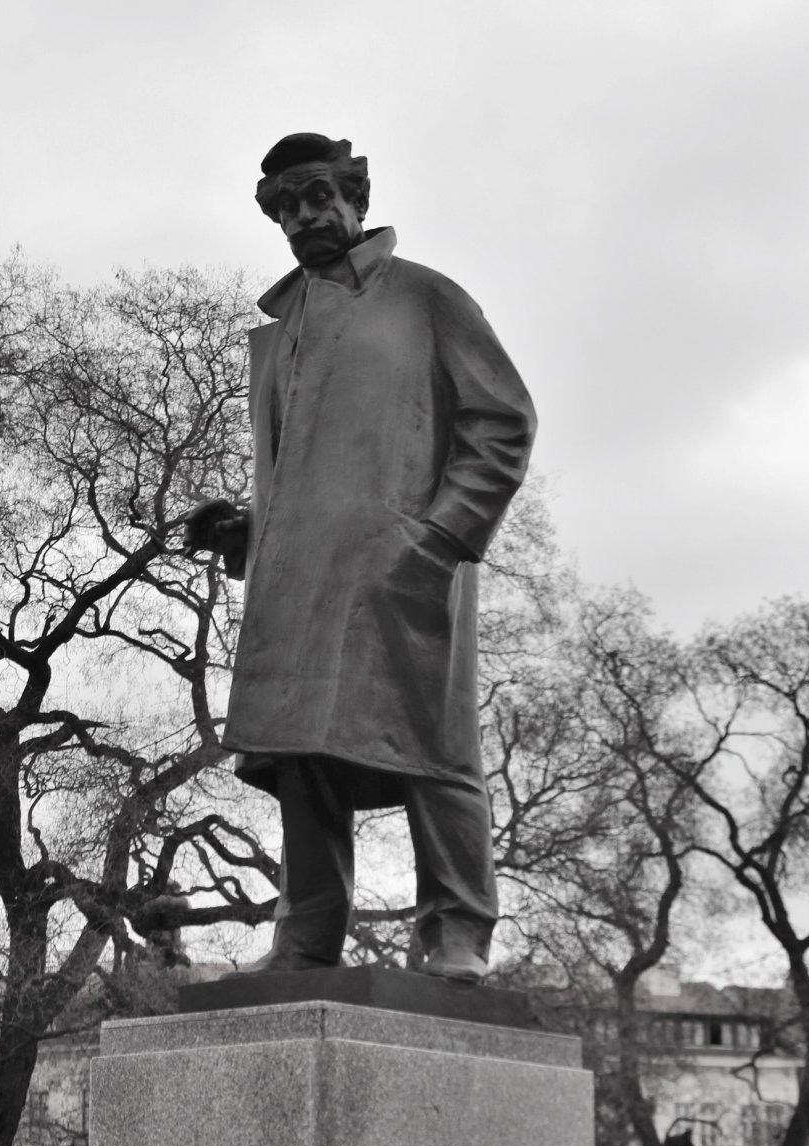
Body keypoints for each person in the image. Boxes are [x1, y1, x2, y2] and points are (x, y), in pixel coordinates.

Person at [184, 133, 536, 981]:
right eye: (286, 207)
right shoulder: (278, 329)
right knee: (301, 756)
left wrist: (440, 537)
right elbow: (302, 464)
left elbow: (501, 421)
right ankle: (305, 938)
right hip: (294, 576)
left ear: (354, 199)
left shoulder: (426, 298)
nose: (304, 217)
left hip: (405, 560)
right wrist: (245, 531)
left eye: (317, 197)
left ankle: (456, 931)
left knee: (432, 749)